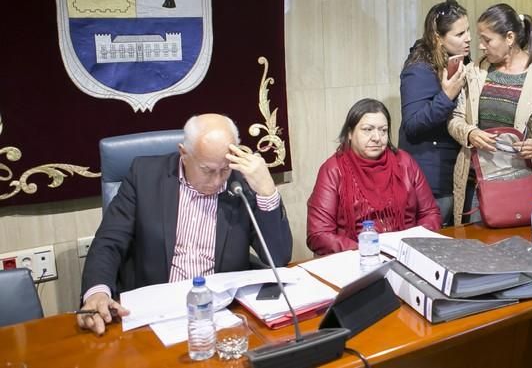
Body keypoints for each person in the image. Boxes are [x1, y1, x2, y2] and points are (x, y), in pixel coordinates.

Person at [78, 114, 292, 335]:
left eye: (225, 169)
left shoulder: (243, 183)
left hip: (221, 315)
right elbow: (109, 241)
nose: (218, 180)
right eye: (208, 170)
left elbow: (277, 258)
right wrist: (97, 292)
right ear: (184, 154)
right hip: (154, 314)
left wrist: (267, 192)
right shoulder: (144, 176)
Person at [448, 3, 532, 226]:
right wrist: (470, 133)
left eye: (487, 40)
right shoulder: (475, 71)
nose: (481, 46)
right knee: (479, 253)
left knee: (527, 251)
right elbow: (455, 118)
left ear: (510, 38)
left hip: (525, 186)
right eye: (480, 39)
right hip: (480, 186)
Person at [307, 98, 443, 255]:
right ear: (350, 133)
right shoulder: (333, 170)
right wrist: (367, 249)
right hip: (356, 259)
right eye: (367, 129)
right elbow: (319, 234)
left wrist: (411, 245)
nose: (377, 137)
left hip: (405, 255)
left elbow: (430, 214)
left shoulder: (404, 163)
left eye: (383, 130)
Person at [398, 0, 471, 225]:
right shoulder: (418, 69)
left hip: (456, 172)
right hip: (431, 179)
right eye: (459, 34)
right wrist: (446, 97)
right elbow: (412, 125)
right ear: (438, 38)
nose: (468, 38)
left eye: (467, 31)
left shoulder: (459, 61)